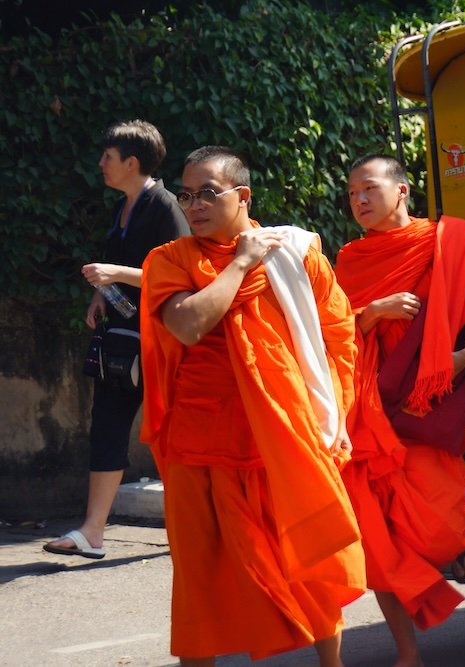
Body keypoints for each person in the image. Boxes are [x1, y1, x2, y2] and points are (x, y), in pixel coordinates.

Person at [139, 146, 365, 665]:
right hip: (200, 445)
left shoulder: (298, 254)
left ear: (242, 196)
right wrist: (241, 262)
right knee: (200, 577)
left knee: (309, 560)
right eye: (187, 194)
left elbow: (337, 337)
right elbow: (189, 324)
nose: (194, 205)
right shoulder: (170, 259)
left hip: (284, 436)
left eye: (208, 193)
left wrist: (331, 416)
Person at [336, 154, 465, 667]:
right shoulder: (350, 258)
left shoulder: (448, 242)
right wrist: (373, 313)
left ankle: (457, 537)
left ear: (402, 191)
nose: (360, 201)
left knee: (433, 526)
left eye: (369, 189)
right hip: (372, 407)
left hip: (426, 406)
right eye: (352, 194)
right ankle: (407, 651)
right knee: (376, 537)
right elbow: (329, 334)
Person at [44, 120, 188, 560]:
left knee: (172, 434)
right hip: (124, 339)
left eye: (108, 157)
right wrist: (102, 295)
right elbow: (126, 270)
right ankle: (93, 531)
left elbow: (181, 277)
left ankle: (191, 526)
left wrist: (116, 275)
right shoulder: (124, 208)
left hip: (161, 343)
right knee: (106, 423)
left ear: (132, 162)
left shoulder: (164, 206)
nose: (101, 164)